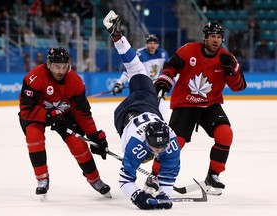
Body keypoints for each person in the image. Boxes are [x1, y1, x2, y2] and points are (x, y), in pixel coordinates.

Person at [153, 22, 247, 192]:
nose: (216, 40)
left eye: (219, 37)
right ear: (205, 38)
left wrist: (232, 71)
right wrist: (163, 82)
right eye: (212, 36)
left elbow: (239, 87)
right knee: (175, 143)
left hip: (210, 104)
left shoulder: (227, 58)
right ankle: (154, 176)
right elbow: (171, 68)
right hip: (185, 104)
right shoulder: (188, 50)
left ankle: (213, 175)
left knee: (225, 133)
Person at [103, 10, 181, 210]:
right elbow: (125, 181)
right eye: (155, 148)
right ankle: (116, 35)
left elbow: (170, 174)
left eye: (160, 147)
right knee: (136, 68)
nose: (159, 150)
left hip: (147, 100)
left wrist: (165, 192)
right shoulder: (135, 145)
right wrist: (137, 196)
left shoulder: (170, 142)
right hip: (124, 115)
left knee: (137, 69)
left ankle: (117, 35)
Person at [18, 47, 111, 199]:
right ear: (49, 65)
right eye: (56, 66)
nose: (60, 71)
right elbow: (26, 109)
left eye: (64, 66)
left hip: (64, 114)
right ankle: (42, 179)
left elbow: (83, 113)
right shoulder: (34, 77)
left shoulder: (75, 82)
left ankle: (95, 179)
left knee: (79, 144)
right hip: (37, 112)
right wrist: (49, 115)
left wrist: (94, 135)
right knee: (34, 137)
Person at [111, 33, 169, 115]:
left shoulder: (163, 54)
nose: (152, 45)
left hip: (156, 87)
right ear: (146, 44)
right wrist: (120, 82)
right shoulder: (140, 54)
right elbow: (130, 69)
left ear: (158, 44)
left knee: (162, 109)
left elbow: (168, 69)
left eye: (154, 43)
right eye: (150, 43)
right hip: (143, 86)